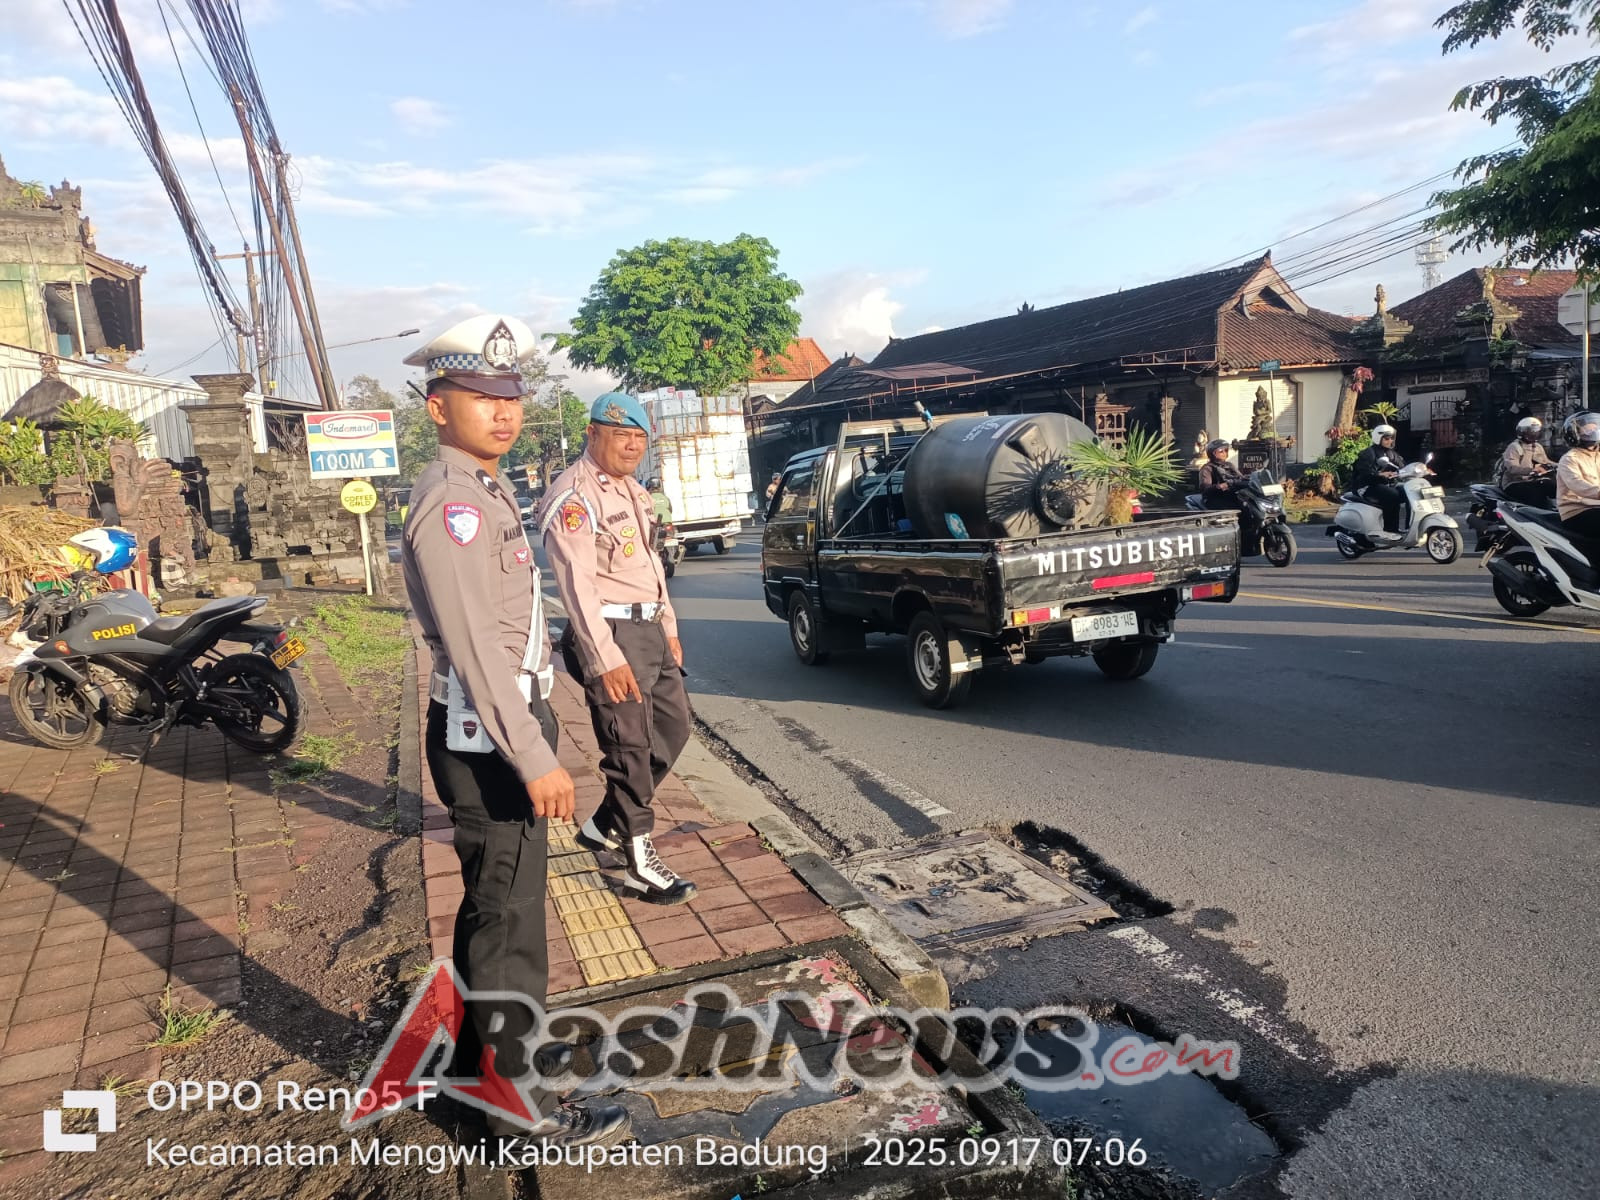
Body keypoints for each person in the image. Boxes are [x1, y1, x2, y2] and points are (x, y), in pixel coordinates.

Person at [400, 315, 629, 1153]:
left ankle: (475, 1079)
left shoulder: (485, 488)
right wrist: (533, 755)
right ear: (438, 407)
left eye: (510, 397)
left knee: (491, 913)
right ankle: (514, 1115)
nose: (502, 412)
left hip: (492, 725)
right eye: (479, 397)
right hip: (489, 737)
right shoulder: (454, 503)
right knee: (511, 930)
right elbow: (474, 651)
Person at [539, 394, 697, 904]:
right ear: (592, 434)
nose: (632, 446)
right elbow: (577, 587)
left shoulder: (635, 491)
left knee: (673, 728)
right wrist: (605, 658)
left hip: (647, 628)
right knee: (628, 748)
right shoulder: (574, 496)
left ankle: (604, 823)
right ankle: (639, 864)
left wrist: (668, 625)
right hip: (610, 632)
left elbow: (651, 565)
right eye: (620, 435)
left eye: (639, 437)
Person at [1352, 424, 1406, 533]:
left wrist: (1418, 470)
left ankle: (1408, 527)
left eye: (1391, 438)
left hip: (1383, 485)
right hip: (1366, 486)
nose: (1390, 441)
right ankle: (1390, 529)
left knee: (1407, 491)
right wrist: (1380, 474)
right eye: (1387, 438)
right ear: (1378, 438)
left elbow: (1402, 466)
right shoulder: (1369, 453)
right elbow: (1364, 472)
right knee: (1393, 494)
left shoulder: (1391, 453)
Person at [1556, 410, 1600, 539]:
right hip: (1576, 511)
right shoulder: (1570, 458)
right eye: (1588, 430)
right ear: (1574, 433)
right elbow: (1578, 485)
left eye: (1595, 428)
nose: (1594, 432)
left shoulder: (1597, 455)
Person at [1498, 416, 1555, 506]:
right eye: (1531, 432)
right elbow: (1512, 468)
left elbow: (1546, 461)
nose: (1534, 434)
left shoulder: (1537, 446)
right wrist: (1532, 470)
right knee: (1535, 492)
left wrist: (1562, 465)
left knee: (1552, 485)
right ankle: (1536, 513)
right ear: (1522, 432)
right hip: (1514, 483)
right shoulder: (1514, 447)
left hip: (1532, 481)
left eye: (1536, 431)